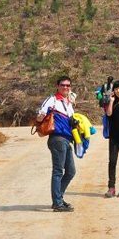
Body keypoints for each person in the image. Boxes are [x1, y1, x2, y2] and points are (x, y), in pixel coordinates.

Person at [37, 76, 76, 212]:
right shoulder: (52, 100)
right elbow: (40, 114)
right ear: (57, 86)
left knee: (71, 171)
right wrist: (41, 117)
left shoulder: (69, 102)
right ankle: (57, 203)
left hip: (67, 139)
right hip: (57, 138)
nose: (65, 87)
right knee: (58, 171)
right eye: (63, 85)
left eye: (68, 85)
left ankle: (58, 198)